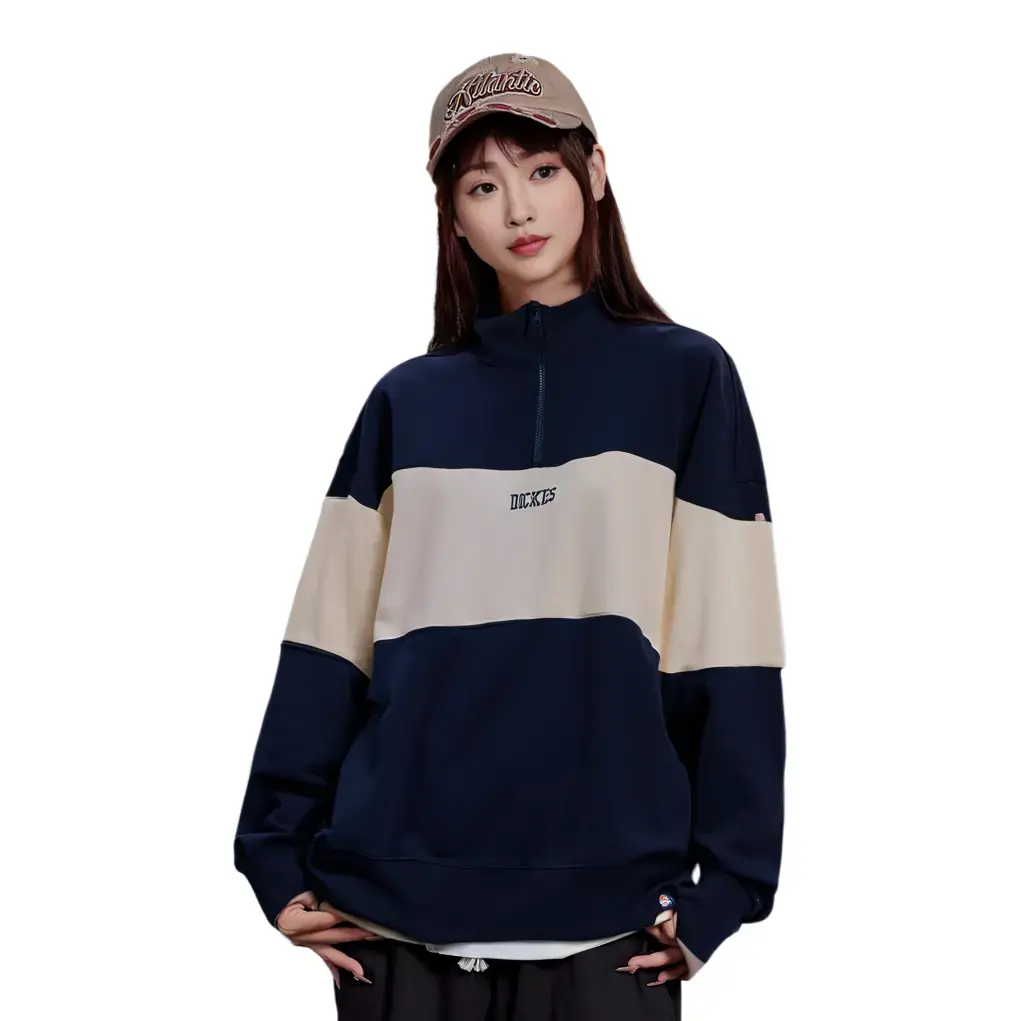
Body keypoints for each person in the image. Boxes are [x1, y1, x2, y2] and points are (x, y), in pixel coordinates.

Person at [233, 52, 787, 1020]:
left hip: (611, 934)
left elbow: (728, 646)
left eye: (540, 170)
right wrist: (275, 860)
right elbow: (327, 645)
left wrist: (726, 889)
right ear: (453, 216)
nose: (518, 209)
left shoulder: (686, 381)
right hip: (392, 926)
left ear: (595, 173)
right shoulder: (407, 403)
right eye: (482, 186)